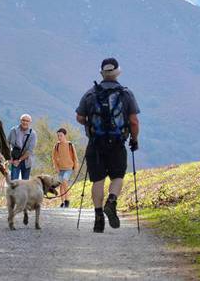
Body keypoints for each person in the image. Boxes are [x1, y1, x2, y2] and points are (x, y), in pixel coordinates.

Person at [76, 58, 140, 233]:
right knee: (117, 176)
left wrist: (90, 123)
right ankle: (111, 201)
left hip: (95, 143)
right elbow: (134, 121)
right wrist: (134, 140)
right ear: (118, 73)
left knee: (97, 180)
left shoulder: (90, 94)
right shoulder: (126, 94)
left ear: (102, 74)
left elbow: (80, 117)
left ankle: (98, 218)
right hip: (117, 143)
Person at [52, 128, 78, 208]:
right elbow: (54, 158)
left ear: (65, 135)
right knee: (61, 185)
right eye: (58, 136)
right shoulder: (56, 146)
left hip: (69, 168)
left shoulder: (70, 145)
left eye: (61, 135)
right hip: (60, 169)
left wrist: (76, 168)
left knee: (65, 181)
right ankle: (62, 202)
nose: (59, 137)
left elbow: (75, 157)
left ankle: (67, 201)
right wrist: (56, 167)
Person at [7, 114, 37, 180]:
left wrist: (19, 160)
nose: (25, 122)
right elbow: (7, 143)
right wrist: (10, 157)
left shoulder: (33, 134)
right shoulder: (13, 130)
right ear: (20, 121)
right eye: (23, 120)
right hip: (15, 158)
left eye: (27, 121)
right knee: (14, 181)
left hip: (26, 160)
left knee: (25, 183)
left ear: (30, 122)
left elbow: (30, 150)